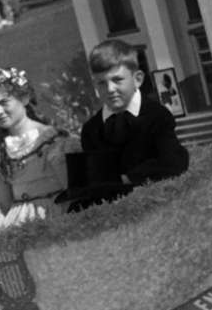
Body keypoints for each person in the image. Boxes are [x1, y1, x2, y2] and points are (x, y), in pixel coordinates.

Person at [59, 39, 189, 211]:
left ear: (137, 79)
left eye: (117, 80)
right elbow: (95, 183)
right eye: (102, 83)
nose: (110, 89)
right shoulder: (92, 129)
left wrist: (125, 179)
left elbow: (172, 163)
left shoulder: (157, 116)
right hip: (115, 213)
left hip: (158, 206)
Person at [0, 66, 74, 227]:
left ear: (24, 98)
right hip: (18, 220)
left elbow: (72, 192)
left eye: (4, 102)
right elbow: (4, 202)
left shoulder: (51, 140)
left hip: (53, 216)